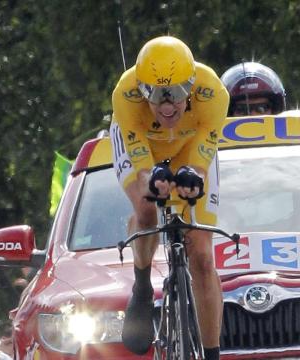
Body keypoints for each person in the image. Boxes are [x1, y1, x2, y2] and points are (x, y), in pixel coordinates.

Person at [110, 36, 228, 360]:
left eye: (175, 93)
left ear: (191, 86)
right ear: (140, 88)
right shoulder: (125, 94)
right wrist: (153, 179)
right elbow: (144, 166)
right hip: (145, 145)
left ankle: (212, 352)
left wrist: (195, 176)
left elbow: (203, 157)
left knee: (202, 255)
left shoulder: (214, 92)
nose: (166, 105)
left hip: (190, 146)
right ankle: (142, 283)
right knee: (148, 205)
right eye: (155, 94)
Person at [221, 61, 286, 116]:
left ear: (274, 110)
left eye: (261, 109)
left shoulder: (293, 130)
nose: (252, 115)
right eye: (241, 110)